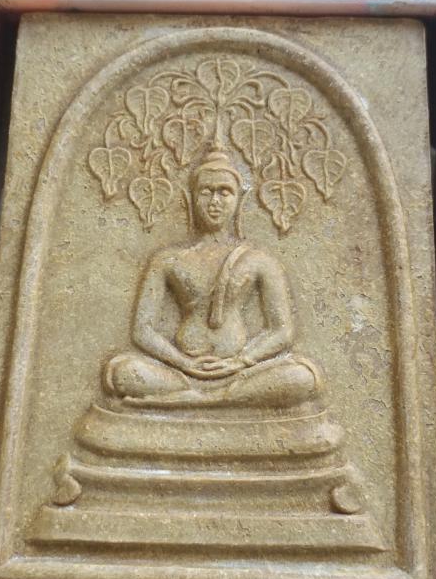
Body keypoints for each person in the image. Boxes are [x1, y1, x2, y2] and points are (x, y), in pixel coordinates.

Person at [104, 151, 323, 407]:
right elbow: (142, 330)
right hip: (180, 373)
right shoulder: (167, 260)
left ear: (240, 200)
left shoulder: (259, 260)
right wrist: (183, 362)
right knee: (123, 372)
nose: (214, 201)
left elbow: (282, 331)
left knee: (301, 376)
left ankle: (199, 401)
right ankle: (214, 400)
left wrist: (240, 361)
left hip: (242, 373)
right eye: (206, 192)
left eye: (224, 192)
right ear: (190, 199)